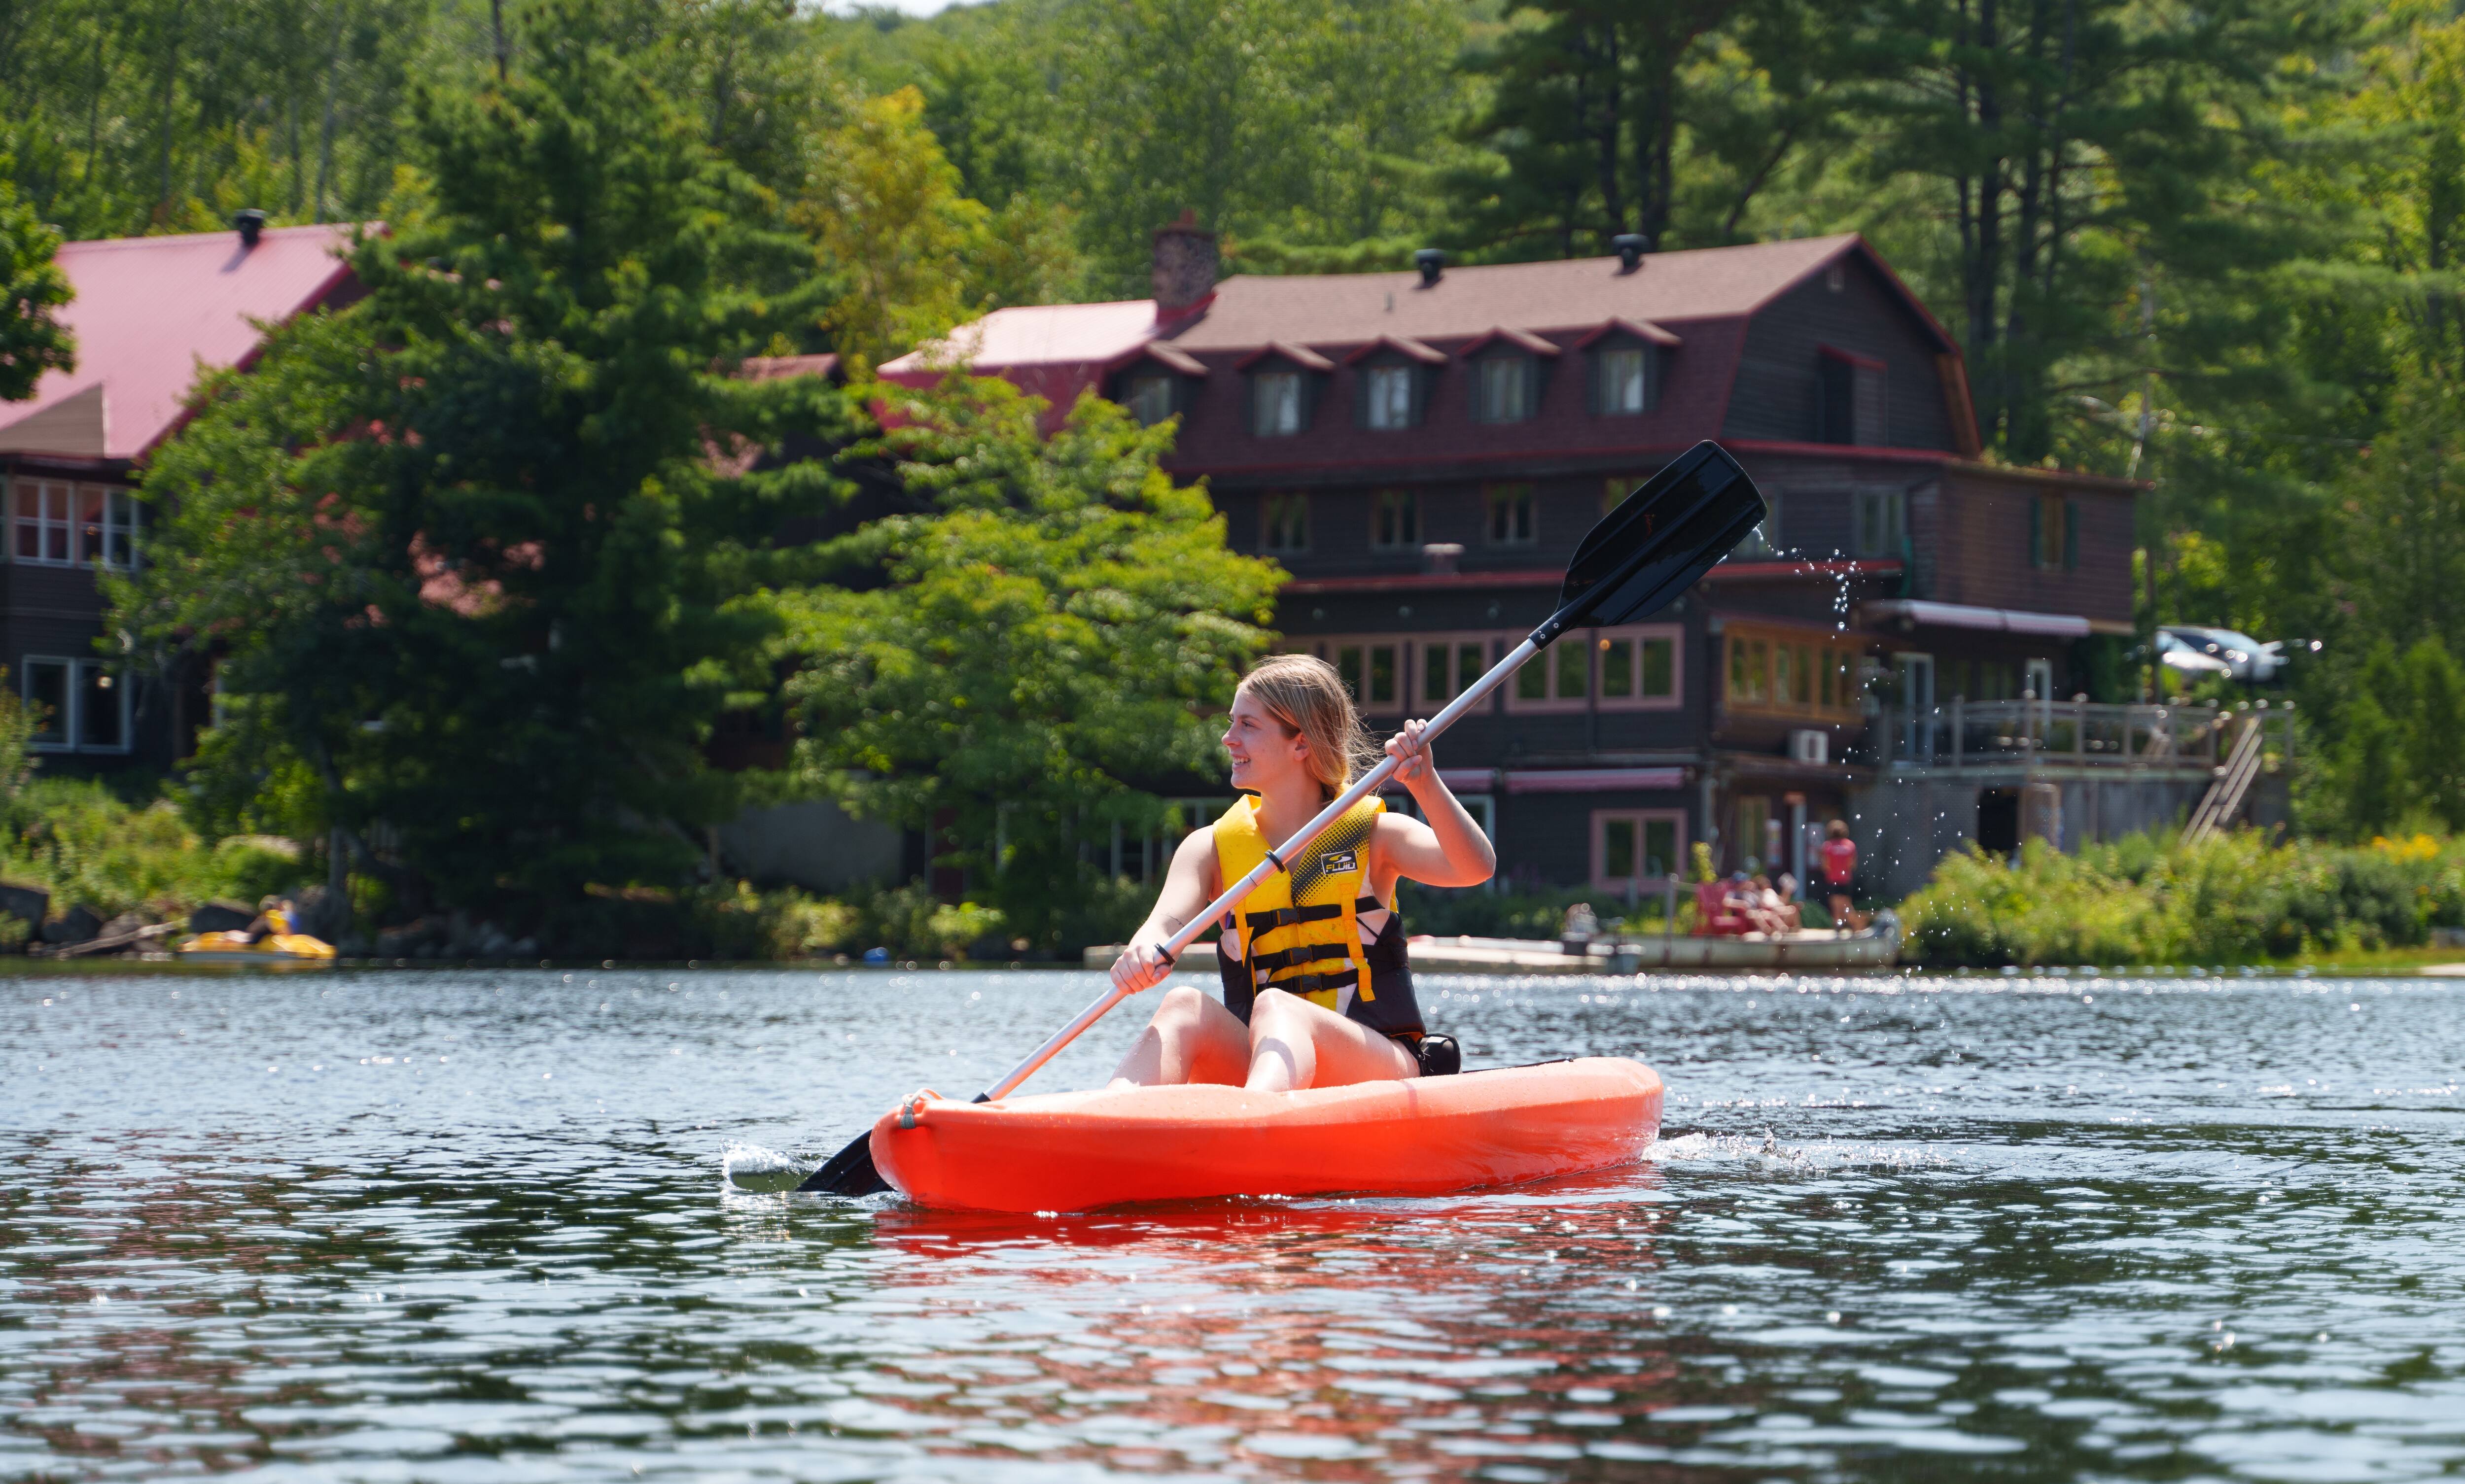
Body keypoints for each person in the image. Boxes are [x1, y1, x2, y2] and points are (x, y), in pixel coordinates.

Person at [1106, 654, 1497, 1093]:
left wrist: (1426, 784)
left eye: (1247, 726)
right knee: (1183, 1005)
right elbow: (1165, 922)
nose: (1228, 738)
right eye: (1232, 722)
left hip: (1375, 1061)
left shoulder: (1373, 834)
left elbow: (1474, 868)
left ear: (1301, 743)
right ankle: (1103, 1132)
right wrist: (1143, 949)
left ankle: (1254, 1127)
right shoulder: (1211, 848)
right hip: (1264, 1064)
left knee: (1281, 1006)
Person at [1819, 819, 1864, 932]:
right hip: (1846, 879)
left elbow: (1825, 865)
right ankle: (1855, 926)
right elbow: (1853, 865)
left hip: (1833, 879)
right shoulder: (1850, 845)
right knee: (1847, 904)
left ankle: (1838, 927)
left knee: (1835, 905)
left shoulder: (1827, 846)